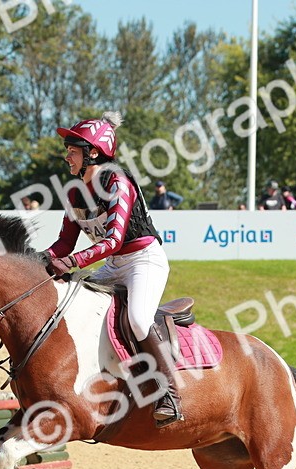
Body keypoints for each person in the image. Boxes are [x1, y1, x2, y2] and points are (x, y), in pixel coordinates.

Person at [42, 111, 182, 427]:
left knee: (137, 318)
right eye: (67, 151)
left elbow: (115, 240)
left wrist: (73, 263)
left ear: (93, 153)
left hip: (143, 261)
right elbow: (63, 244)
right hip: (113, 265)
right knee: (72, 303)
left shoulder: (118, 182)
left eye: (72, 151)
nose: (67, 157)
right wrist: (37, 262)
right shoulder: (75, 193)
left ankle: (169, 392)